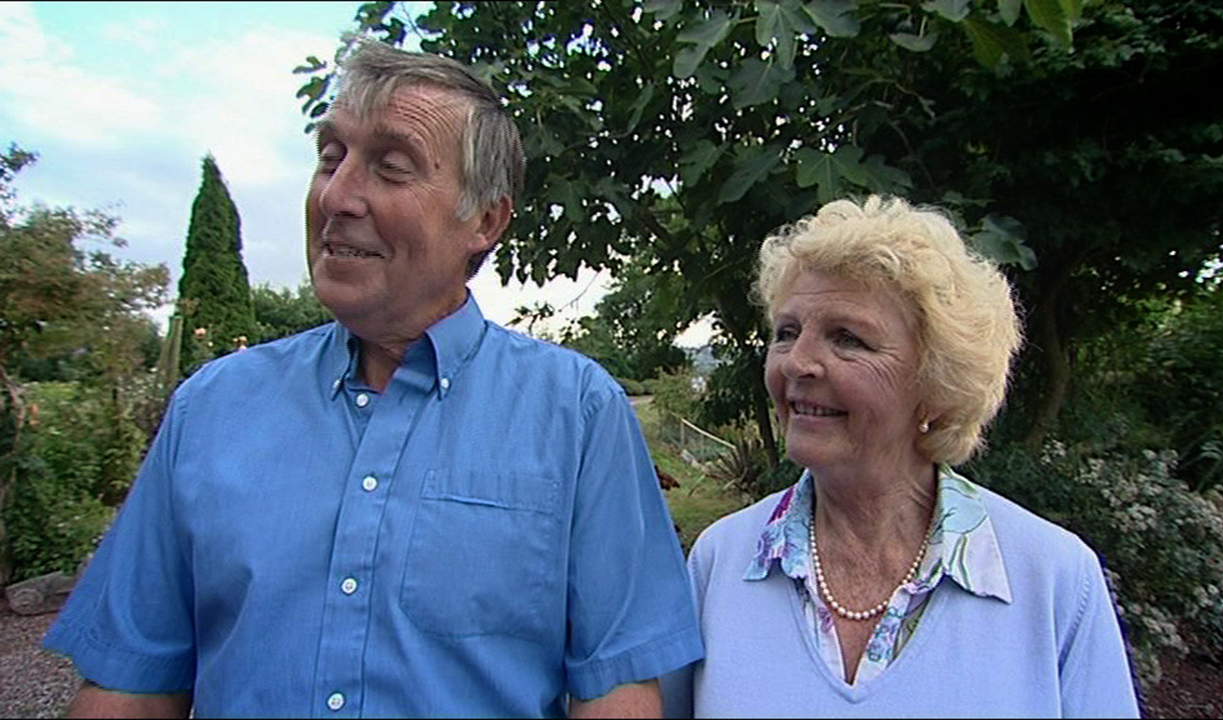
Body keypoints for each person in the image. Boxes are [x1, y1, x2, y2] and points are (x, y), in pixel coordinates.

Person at [44, 40, 702, 718]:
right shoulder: (211, 408)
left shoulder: (578, 413)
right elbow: (131, 684)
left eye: (390, 168)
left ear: (484, 220)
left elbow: (616, 690)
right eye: (330, 158)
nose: (336, 195)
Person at [663, 196, 1140, 717]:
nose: (797, 362)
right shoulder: (721, 560)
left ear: (937, 382)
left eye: (848, 339)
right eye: (787, 333)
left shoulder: (1052, 578)